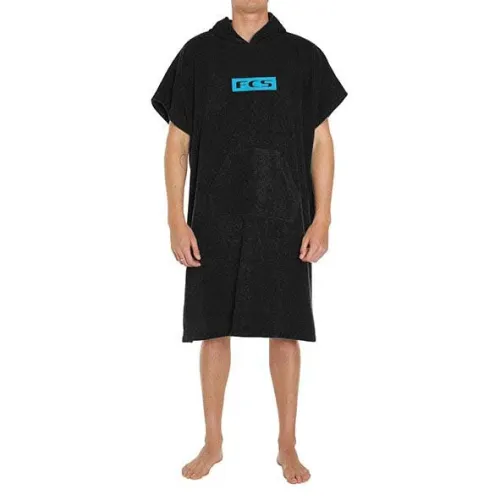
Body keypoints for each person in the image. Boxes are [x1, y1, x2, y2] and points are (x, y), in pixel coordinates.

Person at [151, 0, 347, 484]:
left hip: (284, 218)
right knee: (212, 330)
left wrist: (322, 218)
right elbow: (177, 144)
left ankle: (287, 444)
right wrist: (176, 219)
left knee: (286, 330)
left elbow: (322, 141)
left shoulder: (302, 56)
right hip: (213, 219)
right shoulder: (198, 55)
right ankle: (213, 441)